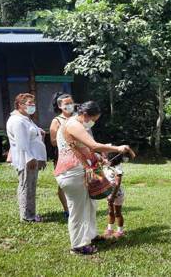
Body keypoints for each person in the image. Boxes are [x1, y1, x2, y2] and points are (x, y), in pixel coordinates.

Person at [54, 101, 134, 255]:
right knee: (78, 210)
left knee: (90, 206)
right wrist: (118, 148)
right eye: (94, 119)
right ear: (85, 115)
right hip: (71, 172)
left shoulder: (78, 125)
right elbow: (93, 145)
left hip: (80, 172)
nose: (94, 122)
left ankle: (91, 235)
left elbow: (82, 148)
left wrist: (98, 158)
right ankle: (78, 245)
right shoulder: (73, 124)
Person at [6, 93, 47, 222]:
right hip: (26, 159)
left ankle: (31, 213)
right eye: (30, 104)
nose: (32, 106)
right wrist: (30, 158)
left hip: (32, 157)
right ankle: (26, 216)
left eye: (33, 104)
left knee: (31, 186)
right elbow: (22, 142)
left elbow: (30, 132)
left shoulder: (25, 118)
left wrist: (38, 131)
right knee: (25, 186)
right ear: (20, 105)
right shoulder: (17, 121)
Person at [49, 92, 75, 218]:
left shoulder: (76, 117)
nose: (70, 105)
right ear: (60, 106)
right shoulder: (57, 121)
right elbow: (53, 142)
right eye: (67, 104)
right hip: (62, 156)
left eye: (71, 103)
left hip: (78, 154)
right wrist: (66, 138)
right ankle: (67, 210)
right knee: (63, 183)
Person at [103, 160, 125, 239]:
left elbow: (117, 183)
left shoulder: (117, 167)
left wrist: (113, 196)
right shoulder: (106, 166)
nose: (105, 159)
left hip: (117, 194)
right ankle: (110, 229)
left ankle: (120, 231)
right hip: (109, 193)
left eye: (106, 157)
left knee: (117, 213)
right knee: (110, 212)